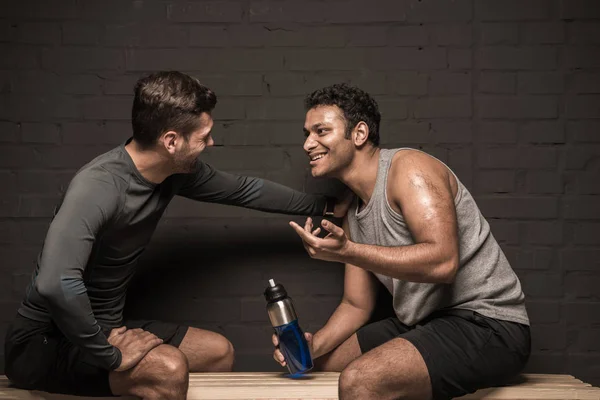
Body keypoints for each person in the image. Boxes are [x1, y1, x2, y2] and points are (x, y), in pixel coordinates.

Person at [4, 71, 346, 400]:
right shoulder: (98, 186)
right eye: (203, 135)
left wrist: (327, 205)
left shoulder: (174, 172)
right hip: (44, 343)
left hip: (108, 330)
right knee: (168, 369)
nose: (211, 142)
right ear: (171, 141)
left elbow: (244, 190)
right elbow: (56, 283)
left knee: (217, 352)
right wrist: (109, 354)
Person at [272, 83, 530, 400]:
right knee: (319, 365)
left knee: (360, 380)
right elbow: (356, 305)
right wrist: (310, 347)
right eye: (306, 134)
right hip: (420, 323)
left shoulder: (409, 170)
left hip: (487, 325)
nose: (308, 144)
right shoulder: (353, 209)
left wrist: (348, 252)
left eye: (321, 131)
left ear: (359, 133)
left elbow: (442, 263)